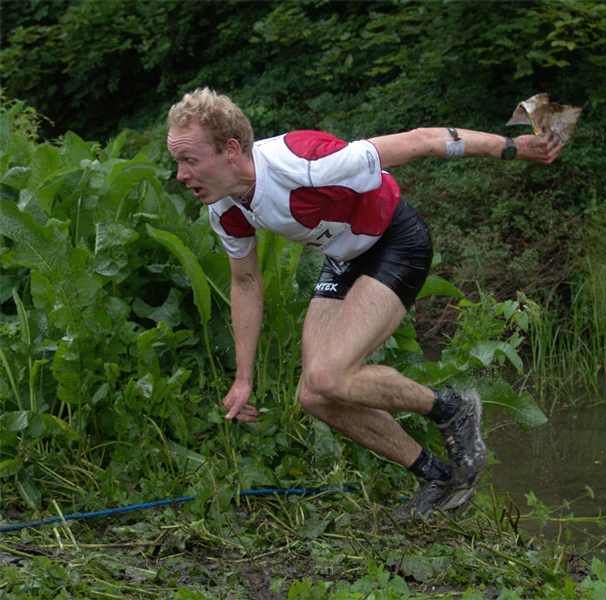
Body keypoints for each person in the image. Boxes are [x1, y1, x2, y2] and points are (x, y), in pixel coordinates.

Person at [167, 87, 562, 520]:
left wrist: (510, 148)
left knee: (328, 374)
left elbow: (422, 140)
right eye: (177, 162)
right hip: (345, 257)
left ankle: (454, 408)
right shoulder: (223, 207)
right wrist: (243, 379)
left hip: (395, 241)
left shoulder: (306, 163)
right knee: (315, 396)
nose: (181, 175)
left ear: (230, 150)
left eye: (190, 160)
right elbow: (245, 283)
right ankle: (437, 476)